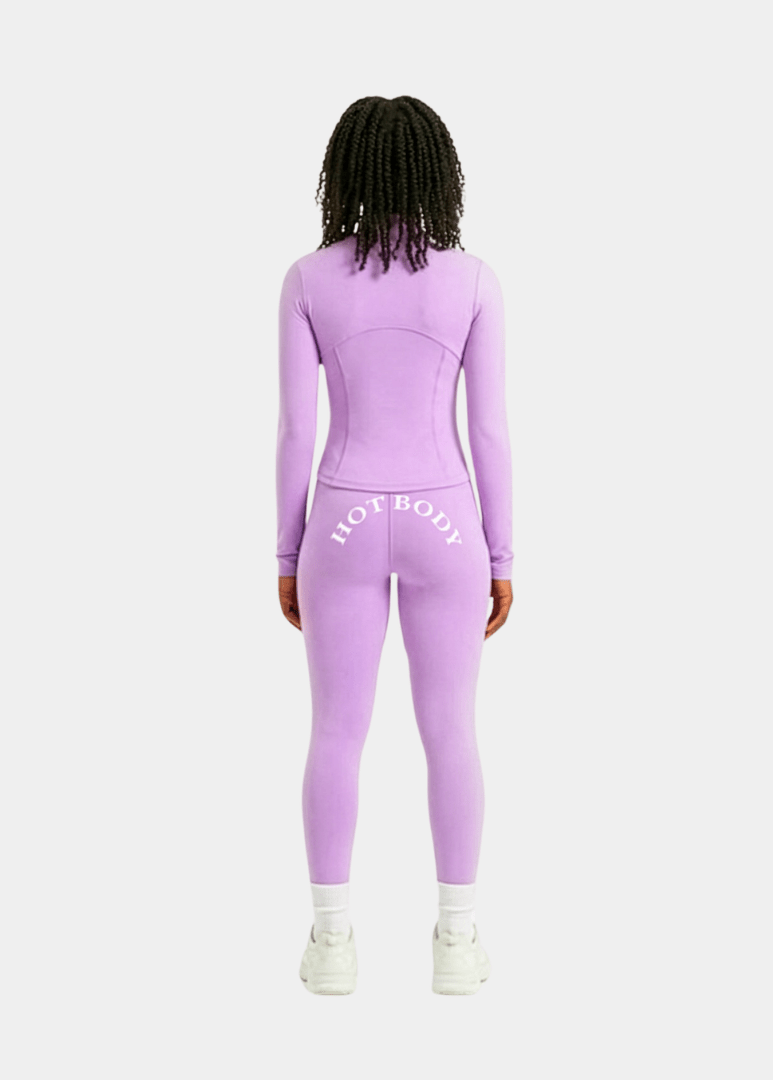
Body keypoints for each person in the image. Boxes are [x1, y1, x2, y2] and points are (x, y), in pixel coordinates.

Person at [276, 95, 513, 995]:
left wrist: (288, 553)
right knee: (450, 730)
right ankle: (457, 942)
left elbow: (296, 431)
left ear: (344, 172)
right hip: (445, 521)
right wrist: (501, 555)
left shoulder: (307, 280)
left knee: (337, 731)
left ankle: (331, 945)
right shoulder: (474, 281)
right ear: (439, 172)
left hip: (339, 517)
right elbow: (488, 432)